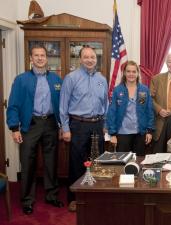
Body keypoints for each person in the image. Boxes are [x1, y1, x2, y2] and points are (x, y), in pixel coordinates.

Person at [6, 45, 63, 215]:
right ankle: (27, 200)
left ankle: (51, 195)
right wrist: (14, 128)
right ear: (31, 58)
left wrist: (61, 125)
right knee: (28, 163)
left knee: (51, 162)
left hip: (51, 124)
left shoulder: (56, 80)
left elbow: (61, 105)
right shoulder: (21, 79)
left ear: (47, 58)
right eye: (36, 55)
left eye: (42, 55)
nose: (39, 58)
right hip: (29, 125)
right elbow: (13, 105)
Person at [60, 46, 108, 212]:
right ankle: (74, 199)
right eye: (86, 57)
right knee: (77, 163)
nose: (89, 60)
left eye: (92, 57)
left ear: (96, 59)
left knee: (97, 162)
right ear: (80, 59)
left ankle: (95, 196)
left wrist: (105, 125)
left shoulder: (102, 78)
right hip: (78, 125)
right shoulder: (71, 78)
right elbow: (63, 105)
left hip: (97, 124)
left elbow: (105, 104)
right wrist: (65, 128)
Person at [107, 60, 154, 156]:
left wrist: (149, 131)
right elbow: (112, 113)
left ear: (137, 73)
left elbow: (149, 111)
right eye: (128, 71)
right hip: (122, 133)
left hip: (140, 133)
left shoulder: (143, 90)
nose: (131, 74)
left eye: (134, 71)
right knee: (123, 162)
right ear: (124, 73)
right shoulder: (118, 90)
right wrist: (112, 133)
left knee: (139, 162)